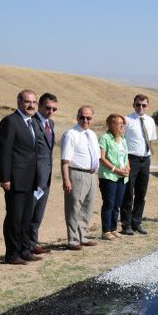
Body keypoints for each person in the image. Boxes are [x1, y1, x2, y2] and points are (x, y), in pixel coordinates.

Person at [0, 89, 43, 264]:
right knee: (14, 218)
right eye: (27, 102)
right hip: (15, 179)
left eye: (34, 102)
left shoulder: (32, 123)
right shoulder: (10, 121)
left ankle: (25, 250)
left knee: (26, 218)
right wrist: (5, 178)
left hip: (30, 179)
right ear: (19, 102)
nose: (31, 105)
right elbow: (4, 152)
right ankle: (12, 254)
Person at [61, 105, 100, 250]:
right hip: (76, 174)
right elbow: (65, 160)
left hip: (91, 175)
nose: (85, 120)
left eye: (88, 117)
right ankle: (73, 240)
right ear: (77, 117)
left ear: (92, 118)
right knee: (74, 207)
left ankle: (83, 236)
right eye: (82, 117)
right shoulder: (71, 134)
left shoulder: (92, 134)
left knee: (87, 208)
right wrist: (66, 179)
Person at [120, 94, 157, 236]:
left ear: (147, 106)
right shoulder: (127, 120)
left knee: (141, 193)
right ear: (133, 105)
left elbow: (151, 140)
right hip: (131, 159)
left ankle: (137, 222)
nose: (140, 107)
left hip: (145, 159)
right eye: (138, 105)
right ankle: (126, 224)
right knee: (128, 193)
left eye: (144, 105)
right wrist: (125, 161)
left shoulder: (150, 121)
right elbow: (121, 140)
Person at [29, 92, 58, 255]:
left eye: (54, 109)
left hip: (46, 177)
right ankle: (23, 245)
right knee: (29, 212)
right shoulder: (31, 123)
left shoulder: (51, 124)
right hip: (33, 177)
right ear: (40, 106)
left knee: (38, 213)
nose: (50, 111)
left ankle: (33, 244)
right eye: (47, 108)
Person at [98, 114, 130, 239]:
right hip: (108, 176)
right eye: (119, 123)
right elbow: (102, 158)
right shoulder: (105, 138)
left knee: (117, 204)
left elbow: (126, 156)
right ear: (111, 124)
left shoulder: (123, 139)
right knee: (109, 203)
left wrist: (127, 167)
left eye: (123, 123)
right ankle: (106, 231)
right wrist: (115, 170)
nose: (122, 125)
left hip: (122, 177)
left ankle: (113, 228)